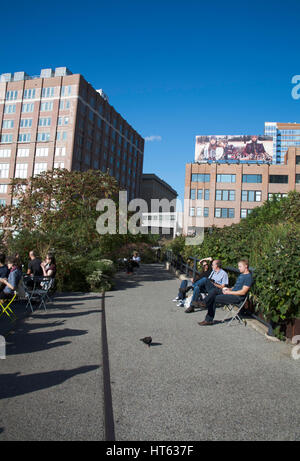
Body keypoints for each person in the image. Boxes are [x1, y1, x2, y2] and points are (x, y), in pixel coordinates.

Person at [198, 259, 253, 326]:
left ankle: (208, 319)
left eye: (240, 266)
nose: (238, 268)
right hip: (232, 293)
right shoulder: (242, 275)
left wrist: (229, 292)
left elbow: (243, 292)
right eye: (238, 266)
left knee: (213, 298)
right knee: (214, 290)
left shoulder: (248, 277)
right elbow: (236, 287)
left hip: (237, 297)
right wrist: (229, 289)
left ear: (246, 266)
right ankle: (204, 303)